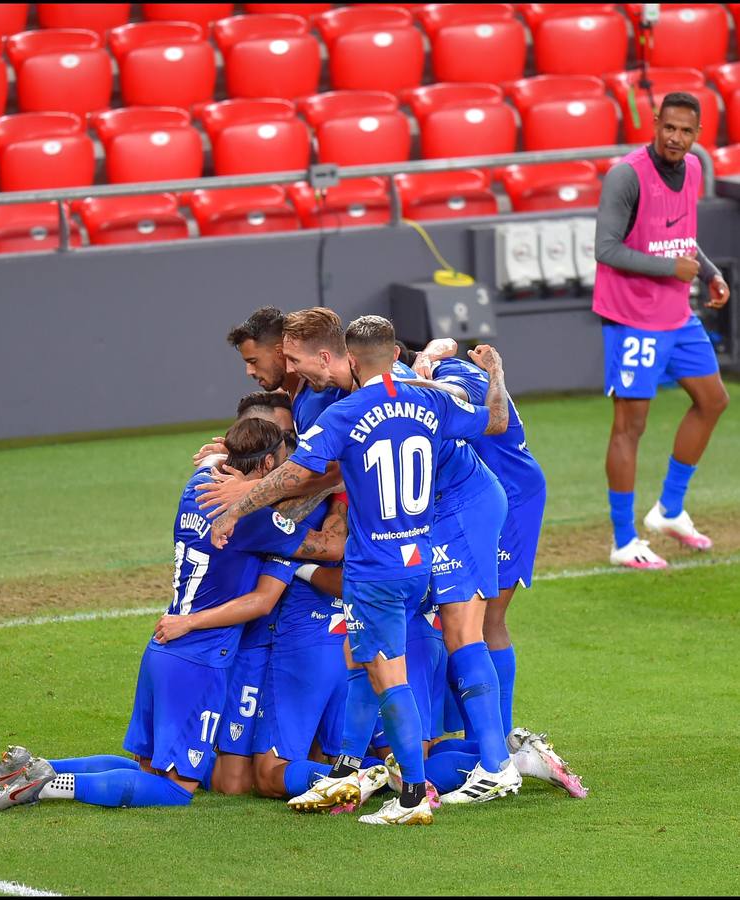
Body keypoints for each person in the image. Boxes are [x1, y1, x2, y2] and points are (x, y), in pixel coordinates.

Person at [210, 316, 509, 826]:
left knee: (387, 673)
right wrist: (497, 375)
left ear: (348, 359)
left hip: (375, 566)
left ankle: (414, 796)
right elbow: (494, 421)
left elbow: (297, 472)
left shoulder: (345, 413)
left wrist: (238, 507)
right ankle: (351, 763)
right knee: (361, 658)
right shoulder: (430, 398)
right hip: (419, 553)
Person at [0, 419, 344, 812]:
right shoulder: (255, 521)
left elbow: (217, 462)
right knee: (176, 789)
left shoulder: (196, 486)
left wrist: (222, 454)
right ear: (268, 464)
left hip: (163, 651)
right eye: (282, 469)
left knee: (148, 771)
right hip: (200, 658)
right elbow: (330, 548)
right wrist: (335, 488)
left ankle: (32, 768)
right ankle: (47, 786)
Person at [401, 346, 587, 799]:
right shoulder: (439, 361)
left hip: (506, 496)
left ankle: (497, 753)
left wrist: (411, 380)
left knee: (481, 621)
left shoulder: (454, 373)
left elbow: (480, 404)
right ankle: (495, 745)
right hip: (486, 494)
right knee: (469, 621)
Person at [593, 91, 730, 569]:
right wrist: (669, 268)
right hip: (632, 319)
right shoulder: (626, 176)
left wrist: (709, 270)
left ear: (697, 135)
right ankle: (624, 540)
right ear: (655, 123)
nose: (676, 137)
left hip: (676, 314)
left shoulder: (693, 169)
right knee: (630, 427)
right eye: (668, 127)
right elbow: (606, 249)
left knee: (713, 400)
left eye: (686, 131)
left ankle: (669, 510)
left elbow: (681, 237)